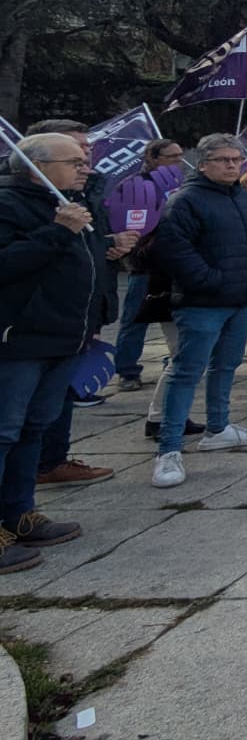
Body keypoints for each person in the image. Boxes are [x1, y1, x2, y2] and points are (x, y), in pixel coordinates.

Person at [148, 133, 247, 489]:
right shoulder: (186, 200)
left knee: (227, 365)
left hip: (242, 300)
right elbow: (175, 250)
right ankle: (169, 448)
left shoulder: (246, 200)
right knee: (187, 371)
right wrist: (210, 279)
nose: (232, 165)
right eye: (223, 160)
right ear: (202, 163)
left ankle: (218, 427)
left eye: (236, 160)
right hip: (203, 302)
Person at [0, 133, 101, 571]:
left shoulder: (69, 205)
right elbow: (8, 264)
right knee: (3, 431)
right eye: (74, 161)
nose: (85, 167)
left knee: (32, 430)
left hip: (64, 338)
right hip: (21, 339)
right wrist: (58, 231)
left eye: (84, 161)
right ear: (35, 166)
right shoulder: (10, 206)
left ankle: (19, 514)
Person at [23, 120, 124, 489]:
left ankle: (53, 461)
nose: (86, 160)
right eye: (76, 153)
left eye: (87, 152)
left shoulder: (82, 196)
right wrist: (59, 230)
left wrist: (108, 244)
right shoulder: (21, 203)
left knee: (54, 405)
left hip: (78, 319)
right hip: (34, 327)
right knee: (21, 422)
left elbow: (83, 252)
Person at [113, 137, 186, 388]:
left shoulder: (183, 185)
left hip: (177, 263)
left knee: (179, 319)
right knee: (135, 319)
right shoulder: (135, 186)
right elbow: (131, 226)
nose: (178, 161)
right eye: (171, 156)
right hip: (145, 263)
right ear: (152, 159)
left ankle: (178, 362)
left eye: (179, 155)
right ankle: (128, 371)